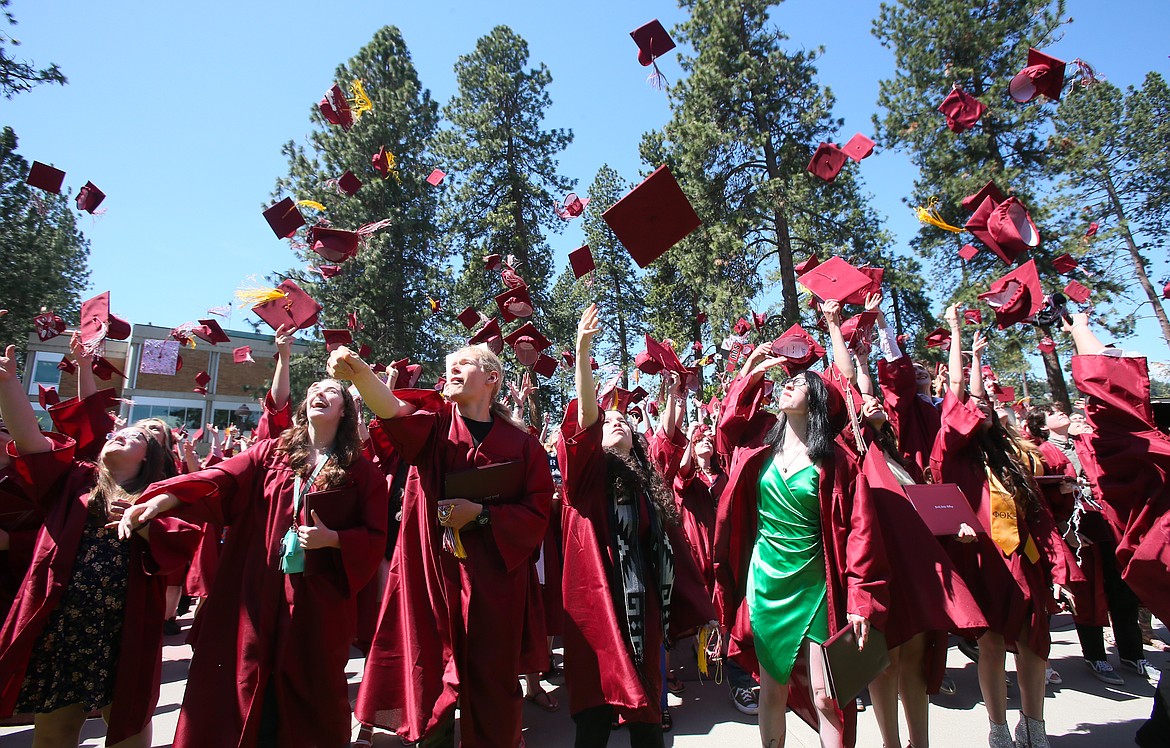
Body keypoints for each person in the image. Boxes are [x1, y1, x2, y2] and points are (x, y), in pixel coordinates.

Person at [119, 378, 389, 748]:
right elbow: (220, 479)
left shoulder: (360, 471)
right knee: (244, 675)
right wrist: (165, 499)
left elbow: (376, 535)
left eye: (331, 392)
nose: (318, 394)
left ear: (344, 410)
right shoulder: (269, 454)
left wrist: (335, 539)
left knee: (312, 683)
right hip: (256, 587)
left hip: (316, 599)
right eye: (314, 390)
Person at [331, 343, 553, 748]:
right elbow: (392, 410)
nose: (450, 370)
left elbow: (538, 511)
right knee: (430, 679)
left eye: (463, 364)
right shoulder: (433, 429)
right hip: (432, 577)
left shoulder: (523, 446)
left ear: (492, 379)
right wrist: (361, 373)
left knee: (492, 686)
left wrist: (481, 515)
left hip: (493, 585)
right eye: (448, 366)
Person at [0, 343, 201, 748]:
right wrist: (7, 383)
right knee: (57, 725)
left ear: (150, 458)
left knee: (126, 720)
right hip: (64, 623)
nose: (124, 434)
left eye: (137, 436)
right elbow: (31, 441)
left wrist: (141, 521)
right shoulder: (73, 481)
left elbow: (182, 543)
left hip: (124, 627)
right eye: (120, 432)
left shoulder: (159, 496)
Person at [713, 307, 889, 748]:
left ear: (815, 400)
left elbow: (861, 530)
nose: (788, 382)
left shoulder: (838, 461)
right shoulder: (757, 450)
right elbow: (727, 429)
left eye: (798, 382)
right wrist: (750, 374)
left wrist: (862, 597)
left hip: (816, 585)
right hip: (766, 582)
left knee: (828, 695)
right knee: (771, 691)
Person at [557, 304, 716, 747]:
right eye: (608, 421)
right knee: (594, 719)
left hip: (642, 611)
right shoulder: (584, 483)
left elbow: (671, 557)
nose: (617, 422)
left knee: (647, 716)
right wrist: (582, 353)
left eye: (623, 420)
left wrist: (701, 614)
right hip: (596, 614)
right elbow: (585, 422)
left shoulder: (649, 488)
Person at [930, 306, 1079, 748]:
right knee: (992, 647)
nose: (981, 410)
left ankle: (1034, 725)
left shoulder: (1013, 459)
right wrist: (957, 334)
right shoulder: (951, 453)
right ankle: (998, 727)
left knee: (1035, 644)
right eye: (974, 407)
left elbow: (1041, 520)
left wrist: (1058, 571)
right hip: (982, 562)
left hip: (1023, 561)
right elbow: (957, 393)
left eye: (987, 405)